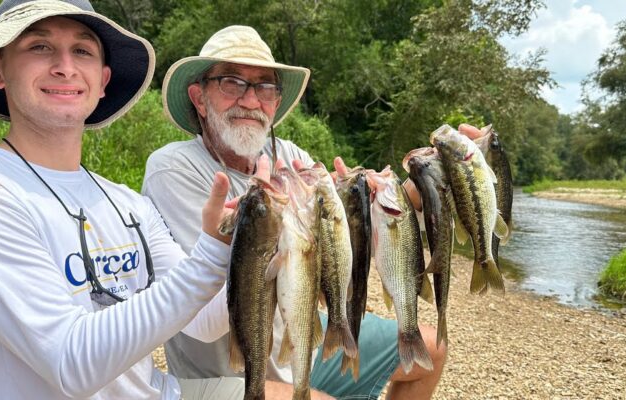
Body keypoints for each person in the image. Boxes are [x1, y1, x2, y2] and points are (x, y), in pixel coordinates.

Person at [0, 1, 266, 398]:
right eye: (39, 47)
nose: (65, 66)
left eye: (82, 50)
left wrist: (270, 242)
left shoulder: (127, 202)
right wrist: (210, 258)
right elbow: (71, 364)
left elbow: (204, 320)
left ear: (102, 80)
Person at [143, 25, 447, 399]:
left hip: (297, 331)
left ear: (276, 101)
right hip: (233, 369)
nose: (251, 100)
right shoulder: (174, 169)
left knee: (431, 349)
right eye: (232, 82)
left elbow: (345, 248)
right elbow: (199, 319)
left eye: (265, 86)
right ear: (200, 98)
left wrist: (418, 191)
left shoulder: (291, 158)